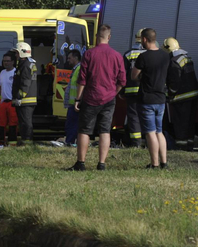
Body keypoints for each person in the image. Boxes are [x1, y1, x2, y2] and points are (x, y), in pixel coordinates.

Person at [69, 25, 125, 171]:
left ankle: (81, 163)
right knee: (105, 131)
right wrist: (114, 92)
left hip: (90, 97)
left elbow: (82, 79)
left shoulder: (89, 54)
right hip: (108, 99)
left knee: (84, 130)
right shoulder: (117, 56)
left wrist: (77, 99)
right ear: (109, 37)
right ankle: (101, 164)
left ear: (96, 37)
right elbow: (122, 80)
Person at [132, 28, 170, 169]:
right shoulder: (166, 56)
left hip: (147, 99)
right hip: (161, 98)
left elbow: (134, 76)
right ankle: (164, 162)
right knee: (159, 132)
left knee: (150, 132)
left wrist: (142, 77)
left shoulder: (144, 57)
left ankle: (154, 164)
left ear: (144, 39)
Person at [162, 38, 198, 151]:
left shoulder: (174, 61)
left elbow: (175, 81)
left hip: (181, 97)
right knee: (189, 123)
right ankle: (189, 145)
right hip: (193, 95)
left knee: (180, 123)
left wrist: (170, 93)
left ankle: (181, 146)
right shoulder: (186, 57)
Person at [122, 29, 147, 147]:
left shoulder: (129, 54)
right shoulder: (150, 54)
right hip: (147, 91)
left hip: (131, 92)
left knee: (134, 117)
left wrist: (121, 91)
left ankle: (136, 143)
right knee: (147, 115)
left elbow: (122, 74)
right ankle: (148, 141)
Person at [12, 42, 37, 146]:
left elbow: (25, 83)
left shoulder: (25, 65)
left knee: (25, 123)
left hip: (25, 100)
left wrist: (19, 97)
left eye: (17, 53)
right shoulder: (27, 64)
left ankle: (27, 143)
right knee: (24, 122)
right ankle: (25, 140)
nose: (15, 55)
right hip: (27, 99)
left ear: (22, 53)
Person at [0, 52, 18, 145]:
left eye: (8, 61)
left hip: (12, 102)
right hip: (4, 102)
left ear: (13, 62)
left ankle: (12, 143)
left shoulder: (16, 72)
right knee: (1, 123)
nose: (6, 63)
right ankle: (0, 143)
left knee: (13, 123)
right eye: (4, 61)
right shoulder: (2, 72)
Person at [63, 50, 81, 146]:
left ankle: (70, 142)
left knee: (72, 125)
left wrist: (78, 100)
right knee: (71, 124)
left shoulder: (79, 69)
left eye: (70, 58)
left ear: (76, 58)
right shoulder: (76, 69)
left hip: (75, 103)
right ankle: (71, 142)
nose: (68, 60)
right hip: (73, 102)